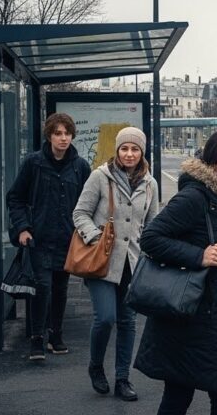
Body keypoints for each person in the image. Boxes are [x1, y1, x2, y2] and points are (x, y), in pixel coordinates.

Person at [134, 131, 217, 415]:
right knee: (187, 394)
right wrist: (199, 256)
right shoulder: (195, 198)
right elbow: (150, 238)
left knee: (207, 392)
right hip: (190, 318)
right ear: (214, 162)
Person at [73, 127, 158, 401]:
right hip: (102, 260)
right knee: (105, 318)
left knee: (128, 321)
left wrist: (152, 251)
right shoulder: (100, 177)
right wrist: (95, 237)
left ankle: (123, 378)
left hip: (132, 263)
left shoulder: (150, 183)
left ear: (142, 152)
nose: (129, 154)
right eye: (125, 148)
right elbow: (80, 213)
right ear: (117, 151)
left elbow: (153, 223)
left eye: (135, 149)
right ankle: (96, 365)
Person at [7, 112, 91, 361]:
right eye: (58, 133)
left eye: (67, 133)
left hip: (67, 239)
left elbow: (90, 202)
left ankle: (56, 335)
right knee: (42, 287)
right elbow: (15, 197)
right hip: (39, 238)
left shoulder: (80, 166)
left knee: (60, 288)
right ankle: (36, 339)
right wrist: (22, 227)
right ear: (49, 136)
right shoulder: (34, 163)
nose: (63, 138)